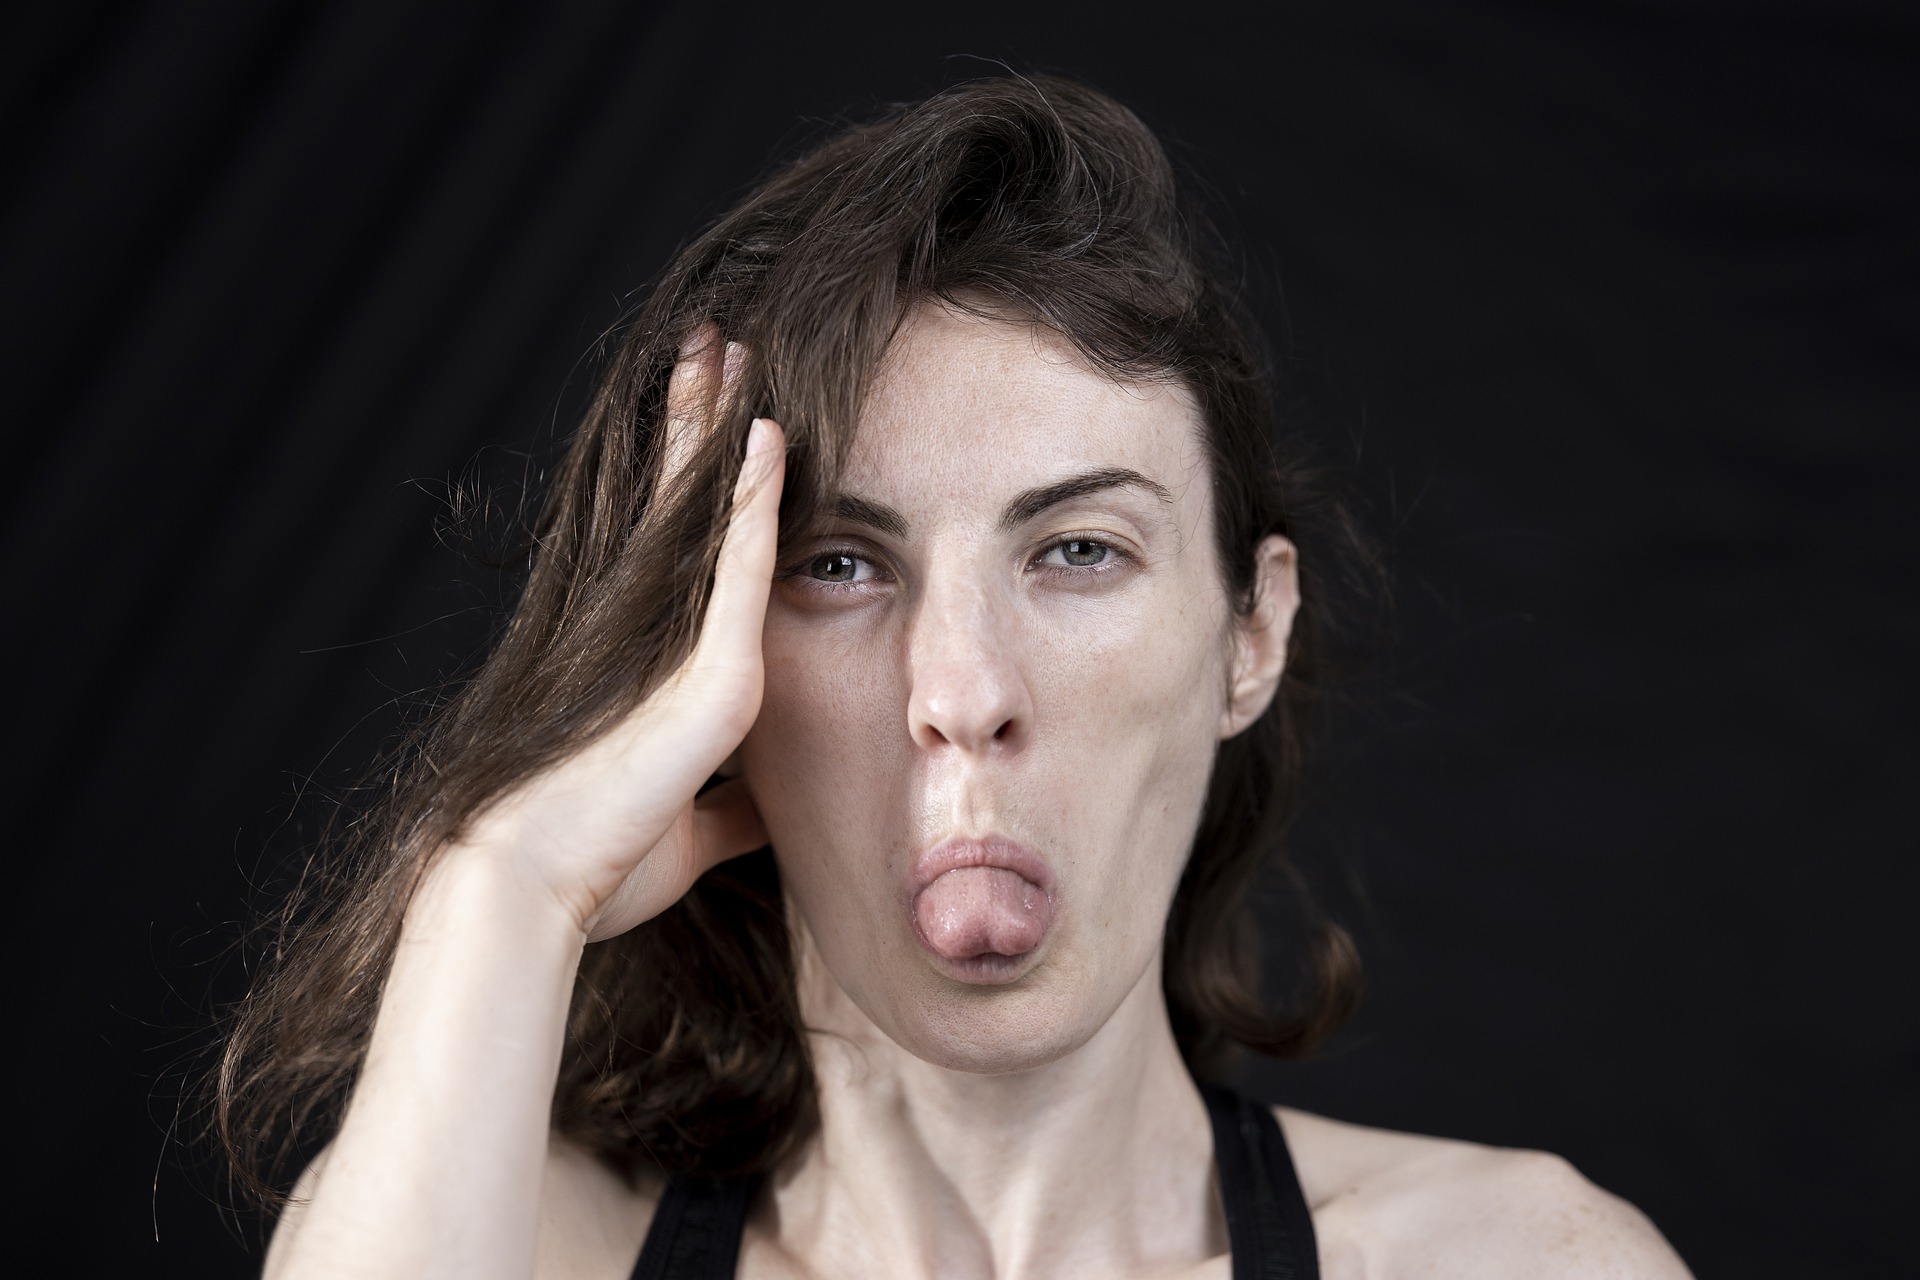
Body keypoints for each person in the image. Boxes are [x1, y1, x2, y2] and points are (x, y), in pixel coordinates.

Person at [219, 75, 1692, 1279]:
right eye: (840, 566)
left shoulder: (1528, 1261)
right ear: (706, 668)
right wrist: (505, 892)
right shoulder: (506, 1249)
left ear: (1250, 634)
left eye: (1078, 552)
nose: (963, 689)